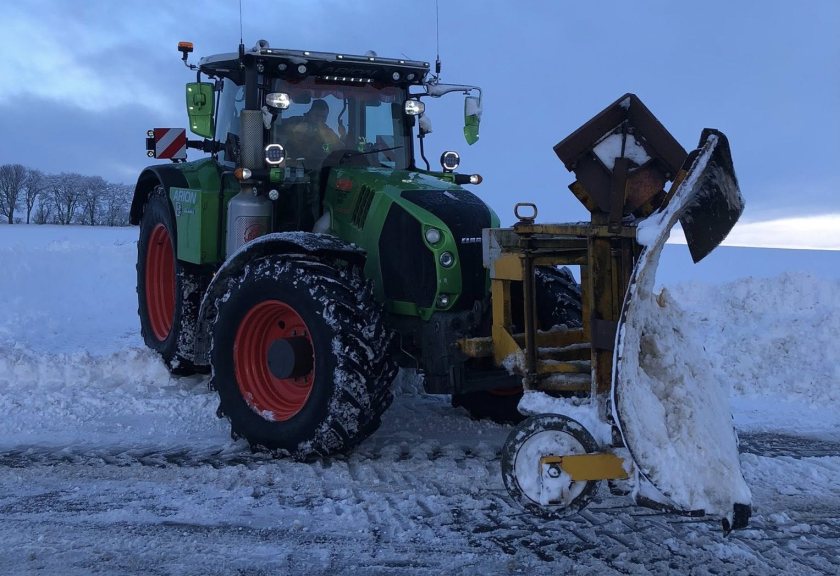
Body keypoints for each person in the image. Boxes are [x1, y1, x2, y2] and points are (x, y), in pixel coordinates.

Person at [280, 99, 342, 165]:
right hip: (293, 166)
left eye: (323, 117)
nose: (320, 119)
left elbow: (340, 149)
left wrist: (342, 135)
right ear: (310, 112)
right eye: (317, 115)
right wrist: (293, 130)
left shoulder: (327, 131)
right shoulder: (296, 121)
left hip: (320, 168)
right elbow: (275, 128)